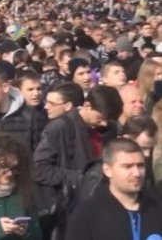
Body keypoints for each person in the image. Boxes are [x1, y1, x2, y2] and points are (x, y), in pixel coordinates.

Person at [33, 84, 123, 238]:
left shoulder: (110, 129)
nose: (104, 124)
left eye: (107, 120)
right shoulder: (60, 128)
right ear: (87, 106)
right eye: (100, 118)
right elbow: (39, 169)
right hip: (70, 210)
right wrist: (79, 178)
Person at [65, 139, 162, 240]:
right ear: (107, 170)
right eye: (127, 166)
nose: (137, 173)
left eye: (140, 165)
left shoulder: (156, 207)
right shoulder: (86, 215)